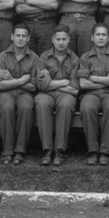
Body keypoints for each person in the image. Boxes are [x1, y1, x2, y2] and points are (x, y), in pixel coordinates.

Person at [0, 23, 40, 165]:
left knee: (26, 107)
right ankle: (7, 151)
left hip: (25, 94)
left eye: (23, 36)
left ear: (28, 38)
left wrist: (11, 80)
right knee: (6, 107)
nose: (20, 38)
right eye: (17, 35)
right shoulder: (2, 56)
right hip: (4, 94)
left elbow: (34, 86)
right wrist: (21, 80)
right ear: (12, 37)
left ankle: (20, 150)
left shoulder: (34, 58)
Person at [77, 22, 109, 166]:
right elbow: (83, 84)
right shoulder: (85, 57)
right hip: (90, 94)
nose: (101, 38)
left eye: (104, 35)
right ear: (92, 37)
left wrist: (92, 77)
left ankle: (104, 151)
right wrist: (107, 80)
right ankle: (92, 150)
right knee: (87, 107)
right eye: (98, 34)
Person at [35, 25, 80, 167]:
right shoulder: (44, 57)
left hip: (66, 94)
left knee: (66, 104)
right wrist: (65, 81)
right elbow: (41, 85)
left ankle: (60, 150)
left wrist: (52, 82)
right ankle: (47, 150)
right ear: (52, 40)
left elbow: (75, 89)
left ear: (69, 40)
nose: (61, 42)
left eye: (64, 39)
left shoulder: (74, 59)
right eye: (58, 39)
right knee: (42, 103)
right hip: (46, 94)